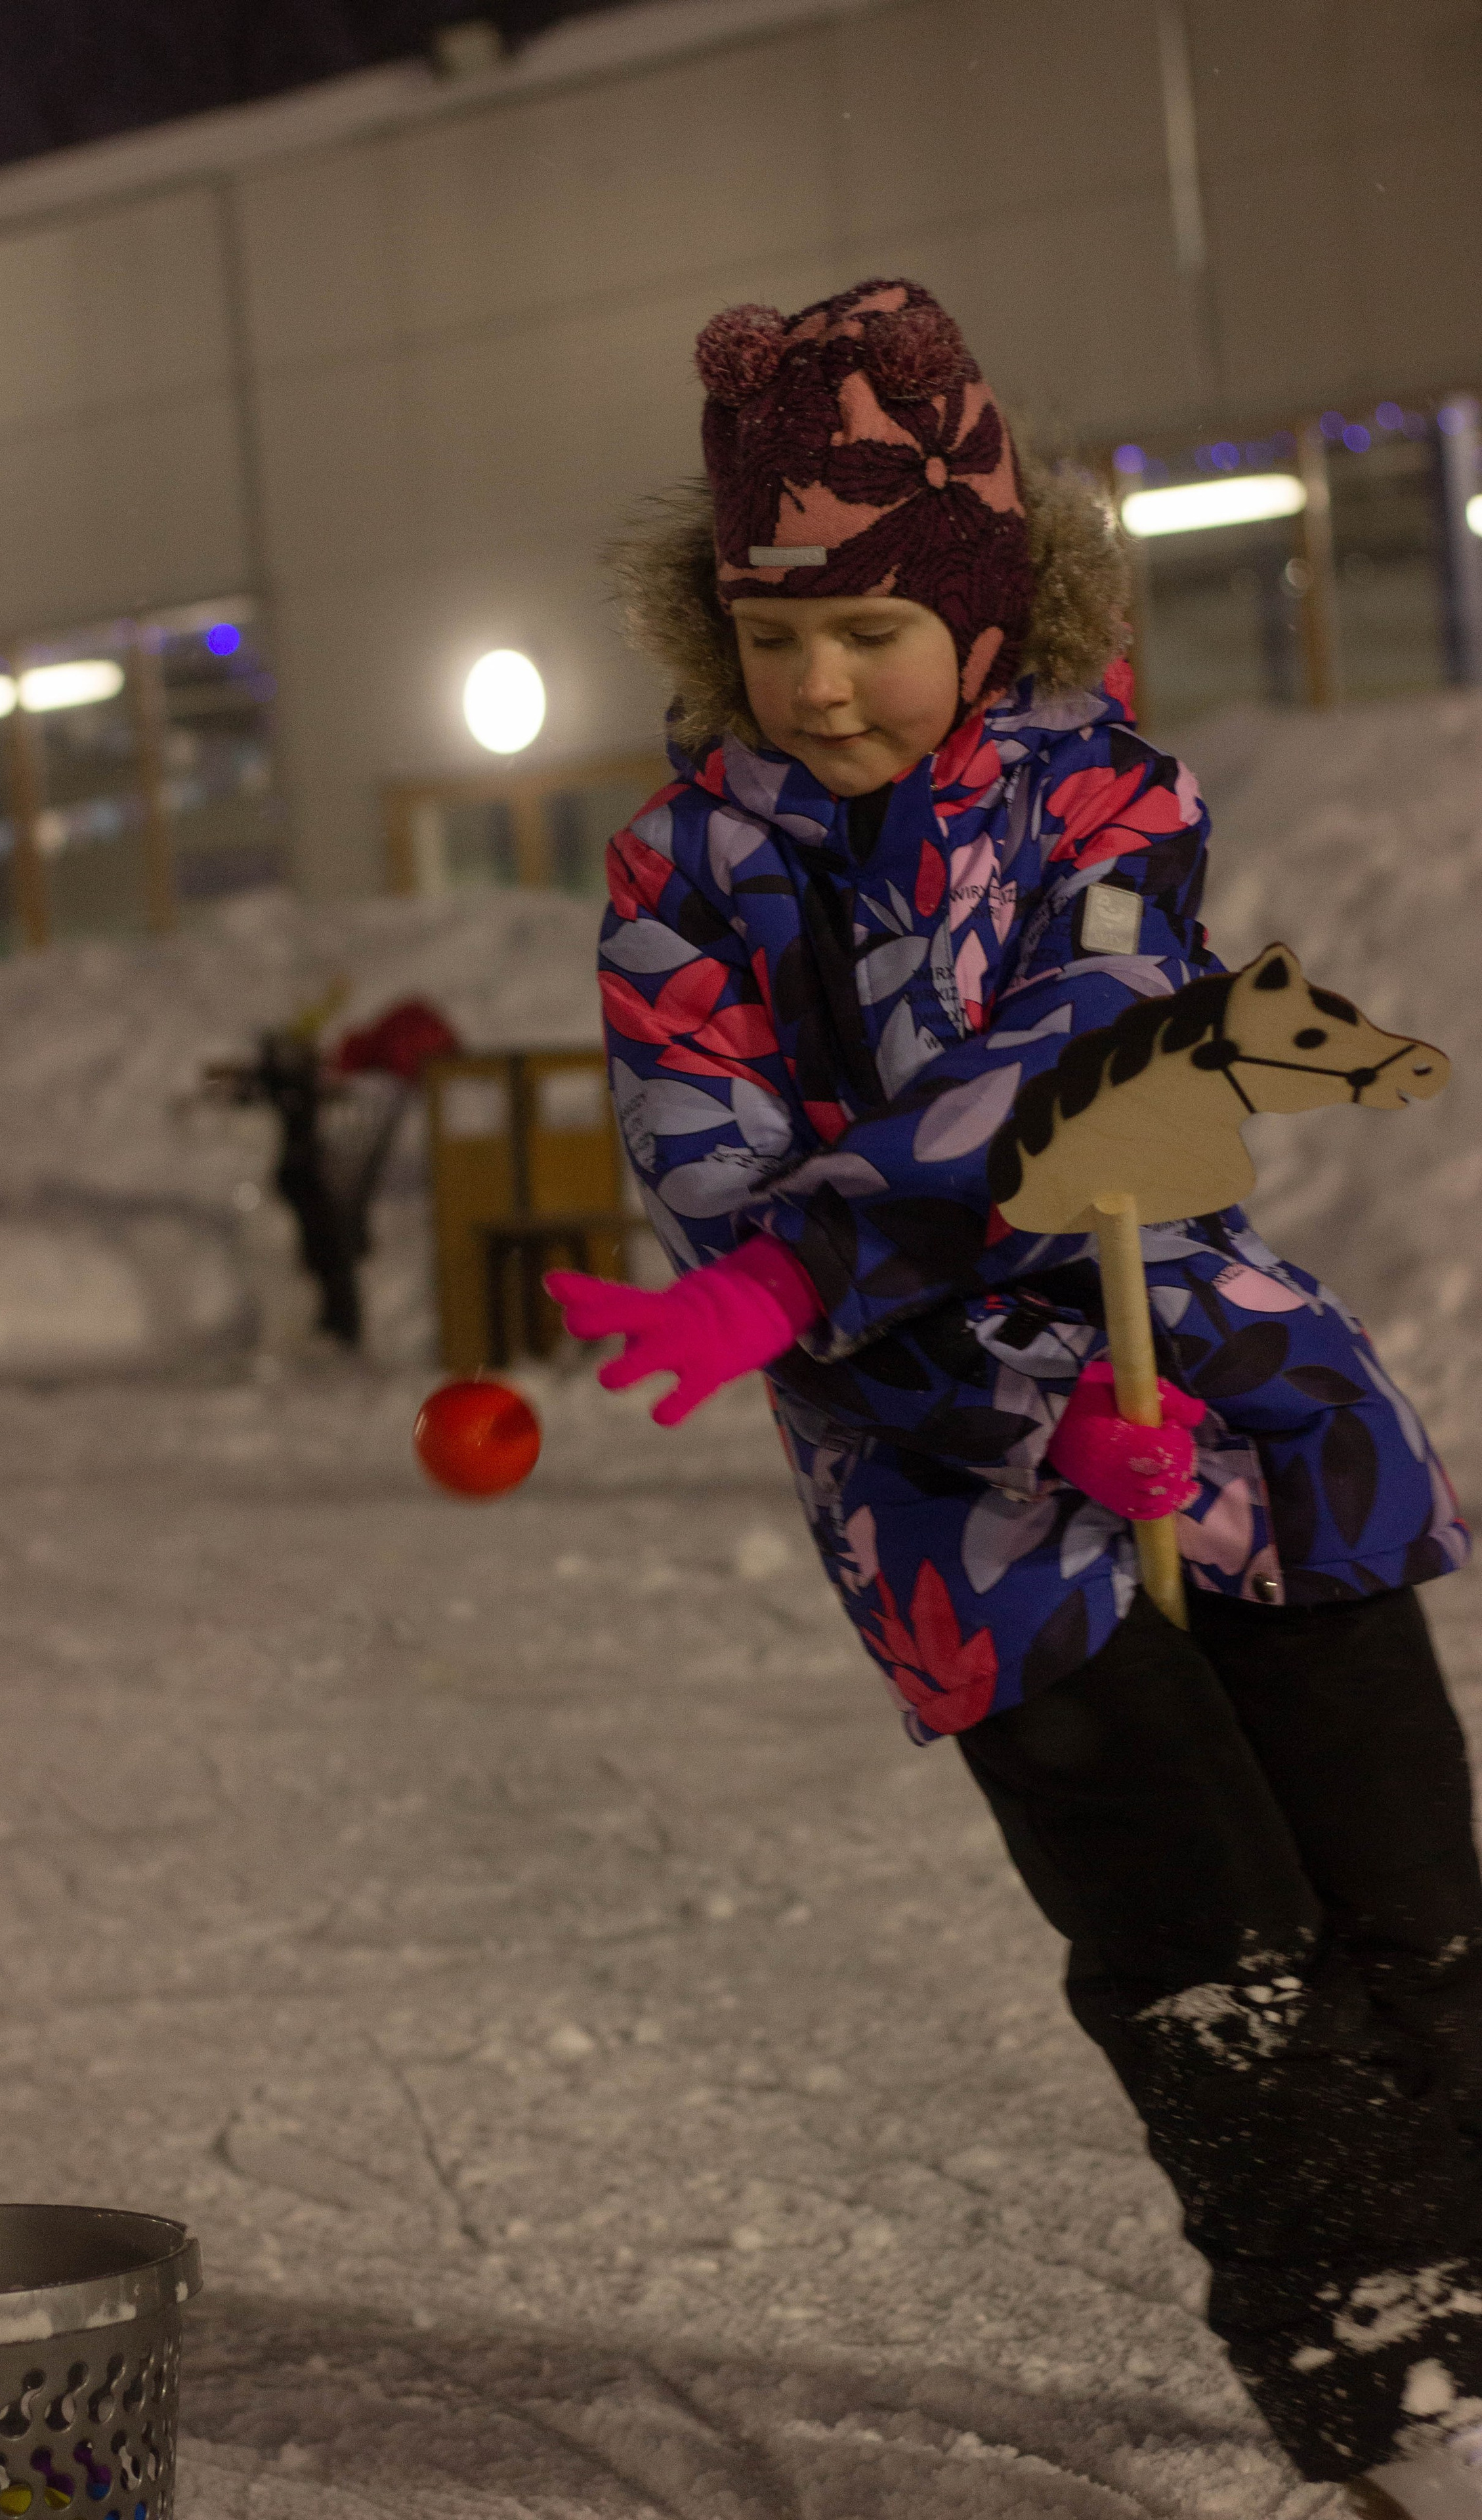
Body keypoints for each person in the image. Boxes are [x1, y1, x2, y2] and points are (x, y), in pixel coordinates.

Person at [545, 278, 1479, 2515]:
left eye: (868, 626)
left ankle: (1476, 2276)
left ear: (977, 609)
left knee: (1411, 1902)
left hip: (1243, 1407)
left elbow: (1071, 1073)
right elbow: (711, 1163)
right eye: (775, 637)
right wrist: (990, 1405)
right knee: (1206, 1946)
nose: (819, 683)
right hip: (966, 1502)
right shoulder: (682, 879)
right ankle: (1378, 2362)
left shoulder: (1104, 794)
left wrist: (812, 1264)